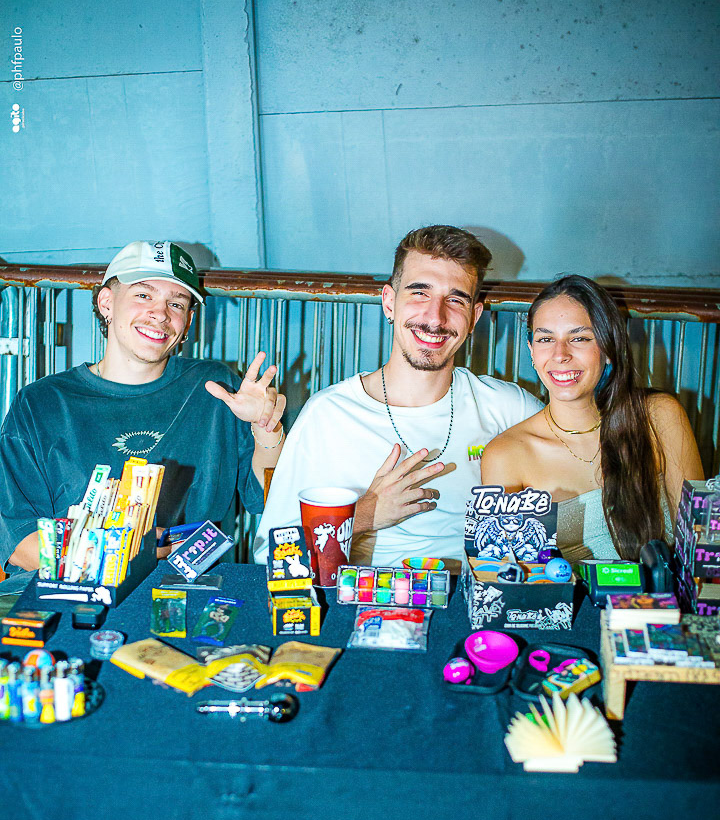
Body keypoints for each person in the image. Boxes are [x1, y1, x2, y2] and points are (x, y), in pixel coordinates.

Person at [254, 225, 542, 568]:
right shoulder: (329, 414)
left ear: (473, 317)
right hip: (367, 595)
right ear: (389, 302)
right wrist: (363, 514)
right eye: (420, 293)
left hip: (479, 595)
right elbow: (271, 554)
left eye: (455, 300)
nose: (435, 317)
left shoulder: (509, 408)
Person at [0, 240, 286, 585]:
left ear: (187, 322)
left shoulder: (216, 388)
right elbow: (21, 546)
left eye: (176, 303)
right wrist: (140, 548)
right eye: (143, 295)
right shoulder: (41, 403)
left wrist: (267, 429)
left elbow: (267, 499)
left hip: (188, 589)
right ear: (107, 302)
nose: (161, 314)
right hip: (67, 590)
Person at [480, 275, 704, 562]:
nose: (560, 354)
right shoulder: (505, 454)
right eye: (546, 339)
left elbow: (698, 546)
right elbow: (504, 571)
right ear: (531, 351)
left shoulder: (659, 416)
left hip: (664, 590)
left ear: (608, 349)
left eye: (579, 338)